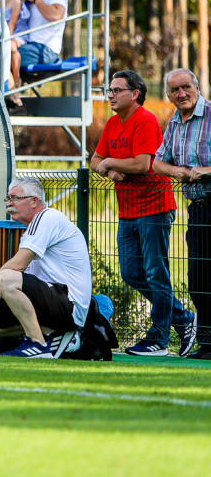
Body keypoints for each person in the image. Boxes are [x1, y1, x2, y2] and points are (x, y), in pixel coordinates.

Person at [92, 70, 192, 356]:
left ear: (135, 94)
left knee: (155, 273)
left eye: (116, 90)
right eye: (109, 90)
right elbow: (95, 159)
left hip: (154, 207)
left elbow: (142, 164)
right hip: (128, 210)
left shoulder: (145, 120)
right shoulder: (113, 123)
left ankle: (159, 338)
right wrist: (109, 168)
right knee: (131, 272)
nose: (110, 95)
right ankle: (185, 319)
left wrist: (111, 161)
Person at [0, 177, 92, 358]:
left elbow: (17, 266)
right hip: (51, 301)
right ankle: (52, 334)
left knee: (5, 277)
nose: (9, 203)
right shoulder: (31, 231)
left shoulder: (48, 217)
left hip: (70, 305)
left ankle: (37, 344)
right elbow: (24, 279)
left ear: (34, 201)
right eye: (8, 199)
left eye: (14, 198)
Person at [153, 69, 210, 359]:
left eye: (186, 87)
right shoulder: (174, 122)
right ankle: (208, 344)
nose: (181, 94)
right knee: (197, 278)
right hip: (197, 210)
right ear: (169, 95)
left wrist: (204, 171)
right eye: (175, 90)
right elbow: (158, 163)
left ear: (196, 87)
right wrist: (177, 171)